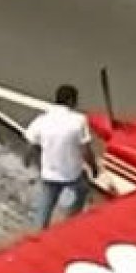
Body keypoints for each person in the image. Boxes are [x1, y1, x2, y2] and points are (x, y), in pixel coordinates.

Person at [24, 84, 99, 229]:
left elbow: (31, 145)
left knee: (44, 209)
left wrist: (27, 160)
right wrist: (94, 168)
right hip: (72, 175)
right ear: (71, 101)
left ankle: (39, 236)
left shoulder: (42, 120)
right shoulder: (79, 120)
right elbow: (85, 150)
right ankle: (71, 223)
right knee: (83, 189)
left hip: (49, 174)